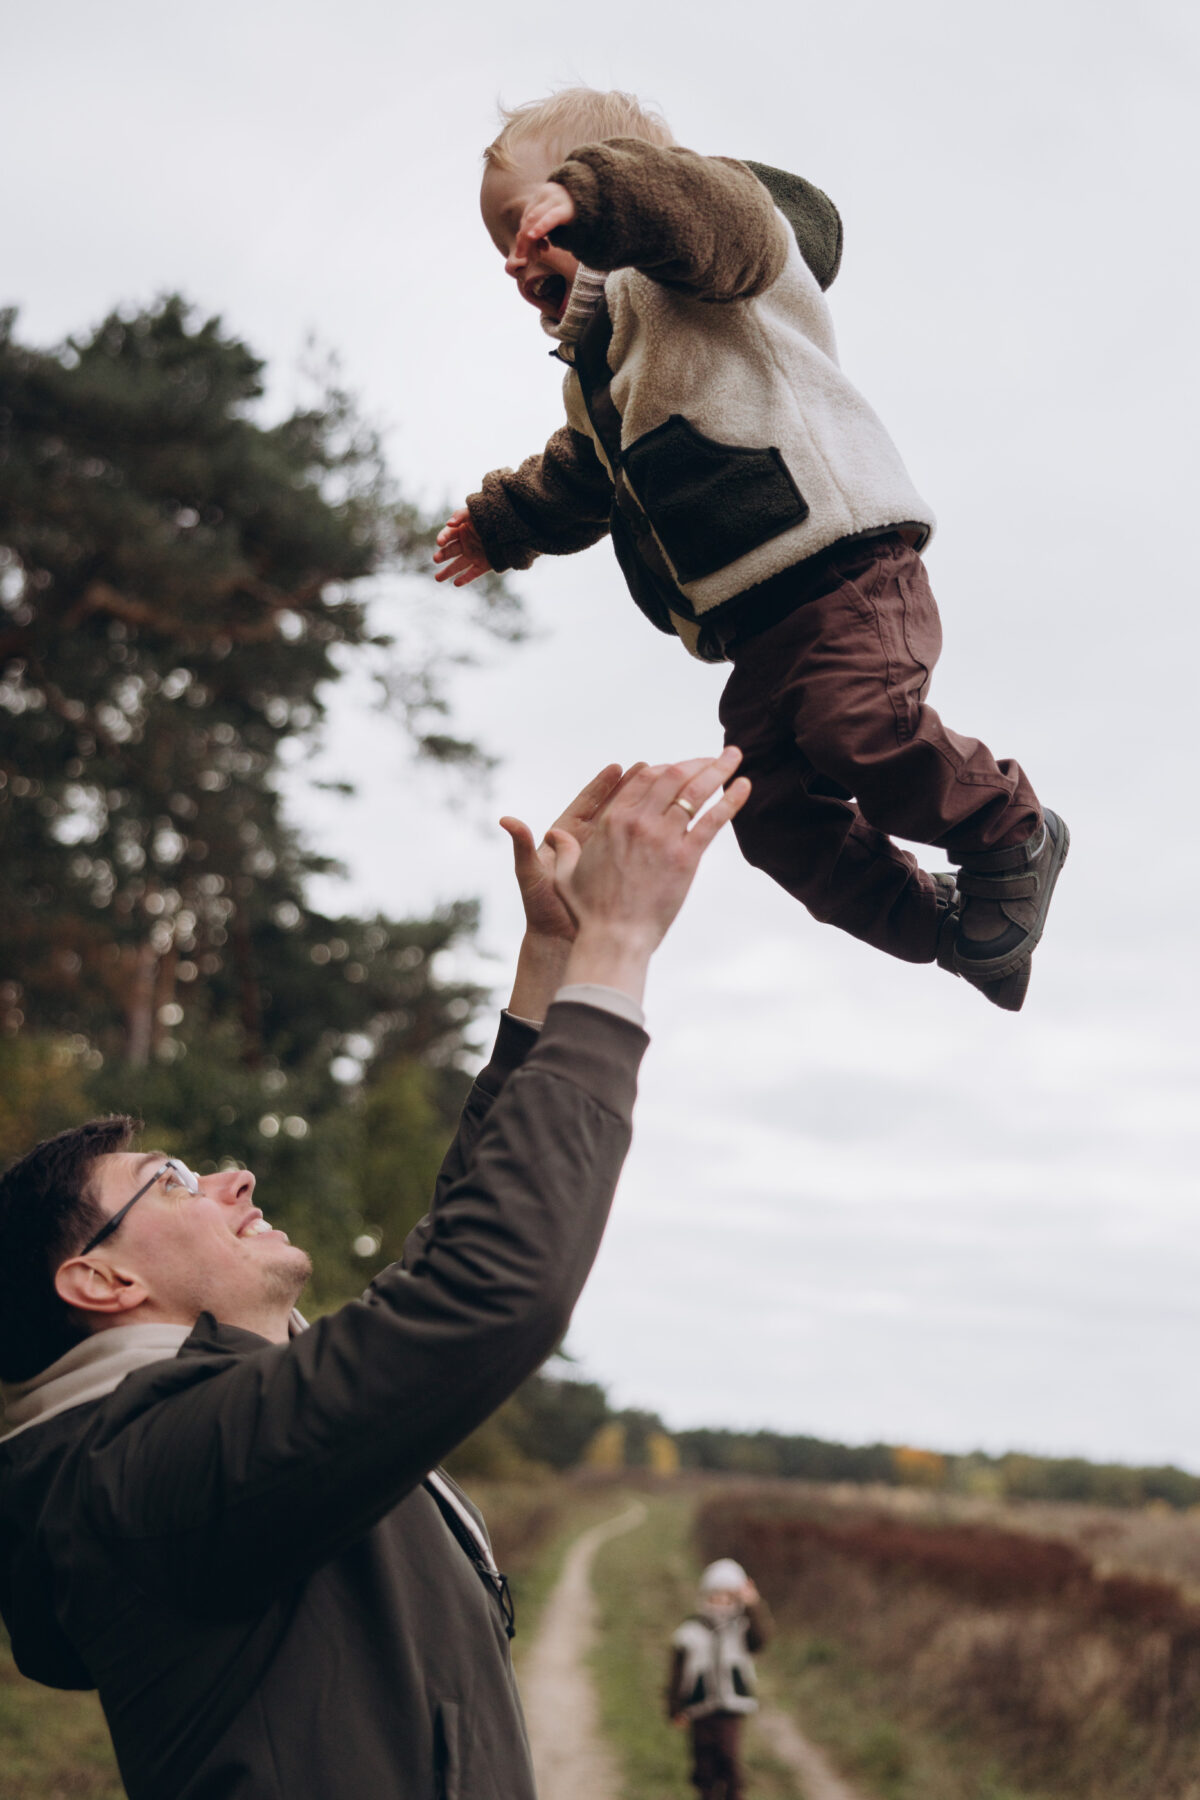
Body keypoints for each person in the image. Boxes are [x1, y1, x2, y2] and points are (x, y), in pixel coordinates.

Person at [0, 751, 749, 1800]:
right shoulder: (141, 1472)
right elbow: (481, 1292)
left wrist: (554, 964)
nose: (232, 1176)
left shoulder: (188, 1442)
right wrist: (618, 951)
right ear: (99, 1283)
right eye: (169, 1181)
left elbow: (444, 1263)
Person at [434, 87, 1069, 1012]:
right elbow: (582, 476)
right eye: (502, 242)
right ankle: (940, 923)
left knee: (859, 726)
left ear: (619, 183)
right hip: (757, 630)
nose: (515, 256)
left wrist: (599, 201)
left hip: (842, 569)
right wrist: (505, 522)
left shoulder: (710, 252)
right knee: (767, 816)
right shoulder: (599, 372)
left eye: (529, 220)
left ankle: (1010, 831)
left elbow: (717, 216)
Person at [667, 1558, 772, 1800]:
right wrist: (675, 1708)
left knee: (728, 1756)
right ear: (705, 1596)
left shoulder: (742, 1629)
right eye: (716, 1597)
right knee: (703, 1760)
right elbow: (677, 1673)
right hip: (699, 1708)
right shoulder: (689, 1632)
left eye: (728, 1598)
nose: (721, 1603)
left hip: (731, 1708)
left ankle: (734, 1794)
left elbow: (761, 1639)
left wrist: (752, 1604)